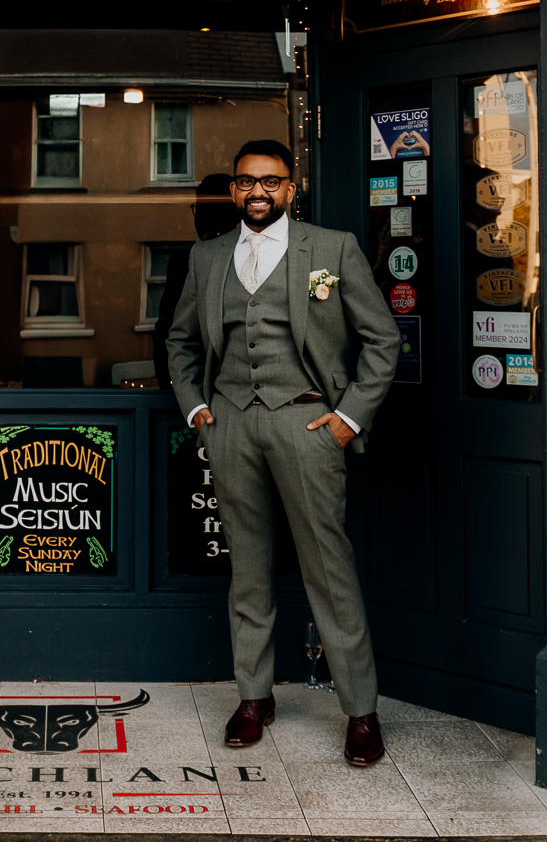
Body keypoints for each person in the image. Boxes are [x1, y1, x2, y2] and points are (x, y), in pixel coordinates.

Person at [165, 139, 400, 767]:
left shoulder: (332, 249)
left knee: (328, 565)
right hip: (232, 424)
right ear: (234, 190)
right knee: (248, 565)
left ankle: (360, 710)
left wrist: (348, 418)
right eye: (246, 182)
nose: (258, 192)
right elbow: (180, 340)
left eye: (271, 181)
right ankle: (253, 697)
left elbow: (383, 339)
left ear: (291, 189)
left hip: (307, 423)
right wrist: (197, 409)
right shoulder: (208, 256)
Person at [152, 173, 239, 386]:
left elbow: (166, 329)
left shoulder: (188, 260)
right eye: (199, 207)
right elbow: (167, 329)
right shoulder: (184, 260)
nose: (199, 216)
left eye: (206, 207)